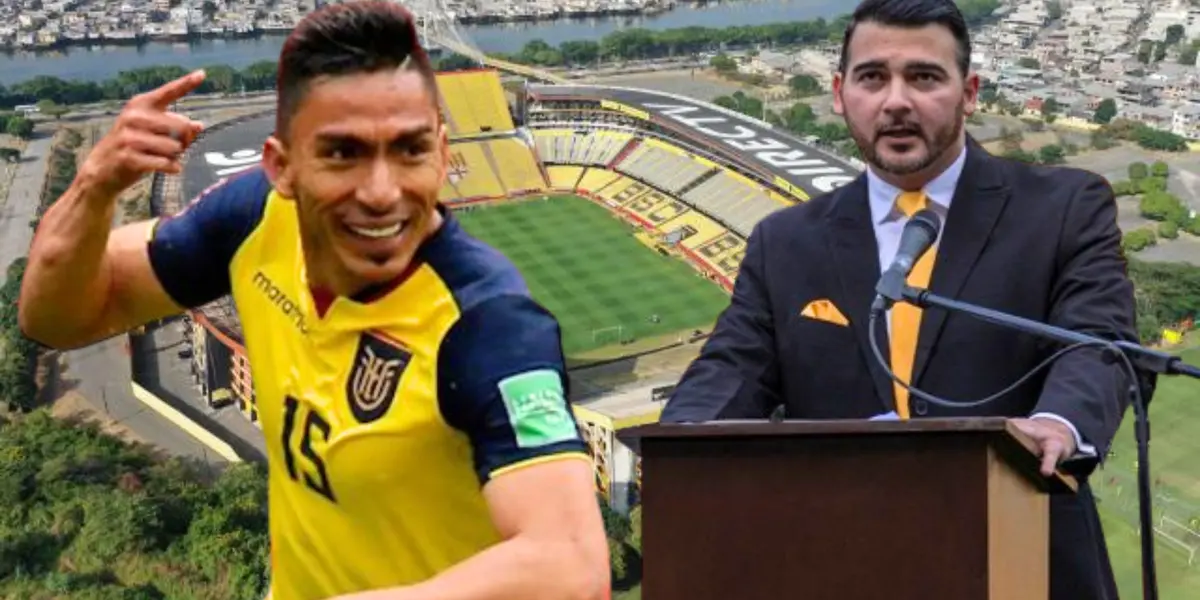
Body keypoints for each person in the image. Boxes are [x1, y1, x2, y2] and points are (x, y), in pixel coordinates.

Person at [19, 2, 610, 599]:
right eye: (342, 154)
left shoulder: (488, 323)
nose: (383, 192)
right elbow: (57, 318)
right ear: (282, 167)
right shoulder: (253, 216)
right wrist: (94, 186)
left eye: (410, 151)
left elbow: (570, 565)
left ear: (443, 150)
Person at [660, 0, 1139, 598]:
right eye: (872, 77)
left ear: (969, 93)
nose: (896, 101)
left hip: (1031, 556)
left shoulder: (1064, 208)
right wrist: (683, 442)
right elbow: (732, 368)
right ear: (839, 93)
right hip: (847, 566)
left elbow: (1101, 342)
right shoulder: (784, 242)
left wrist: (1058, 421)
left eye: (924, 77)